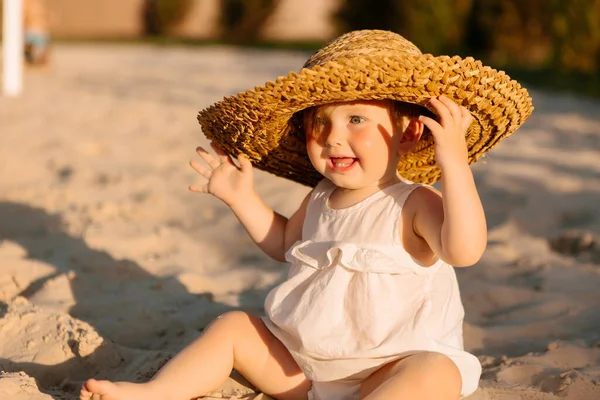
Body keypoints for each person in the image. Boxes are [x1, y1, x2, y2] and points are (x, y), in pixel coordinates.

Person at [80, 30, 533, 400]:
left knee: (434, 372)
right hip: (307, 371)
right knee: (235, 327)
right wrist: (242, 199)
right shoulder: (320, 196)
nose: (334, 138)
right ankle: (157, 392)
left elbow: (465, 249)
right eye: (320, 123)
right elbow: (284, 245)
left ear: (409, 132)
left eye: (356, 120)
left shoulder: (413, 202)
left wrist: (454, 164)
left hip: (390, 369)